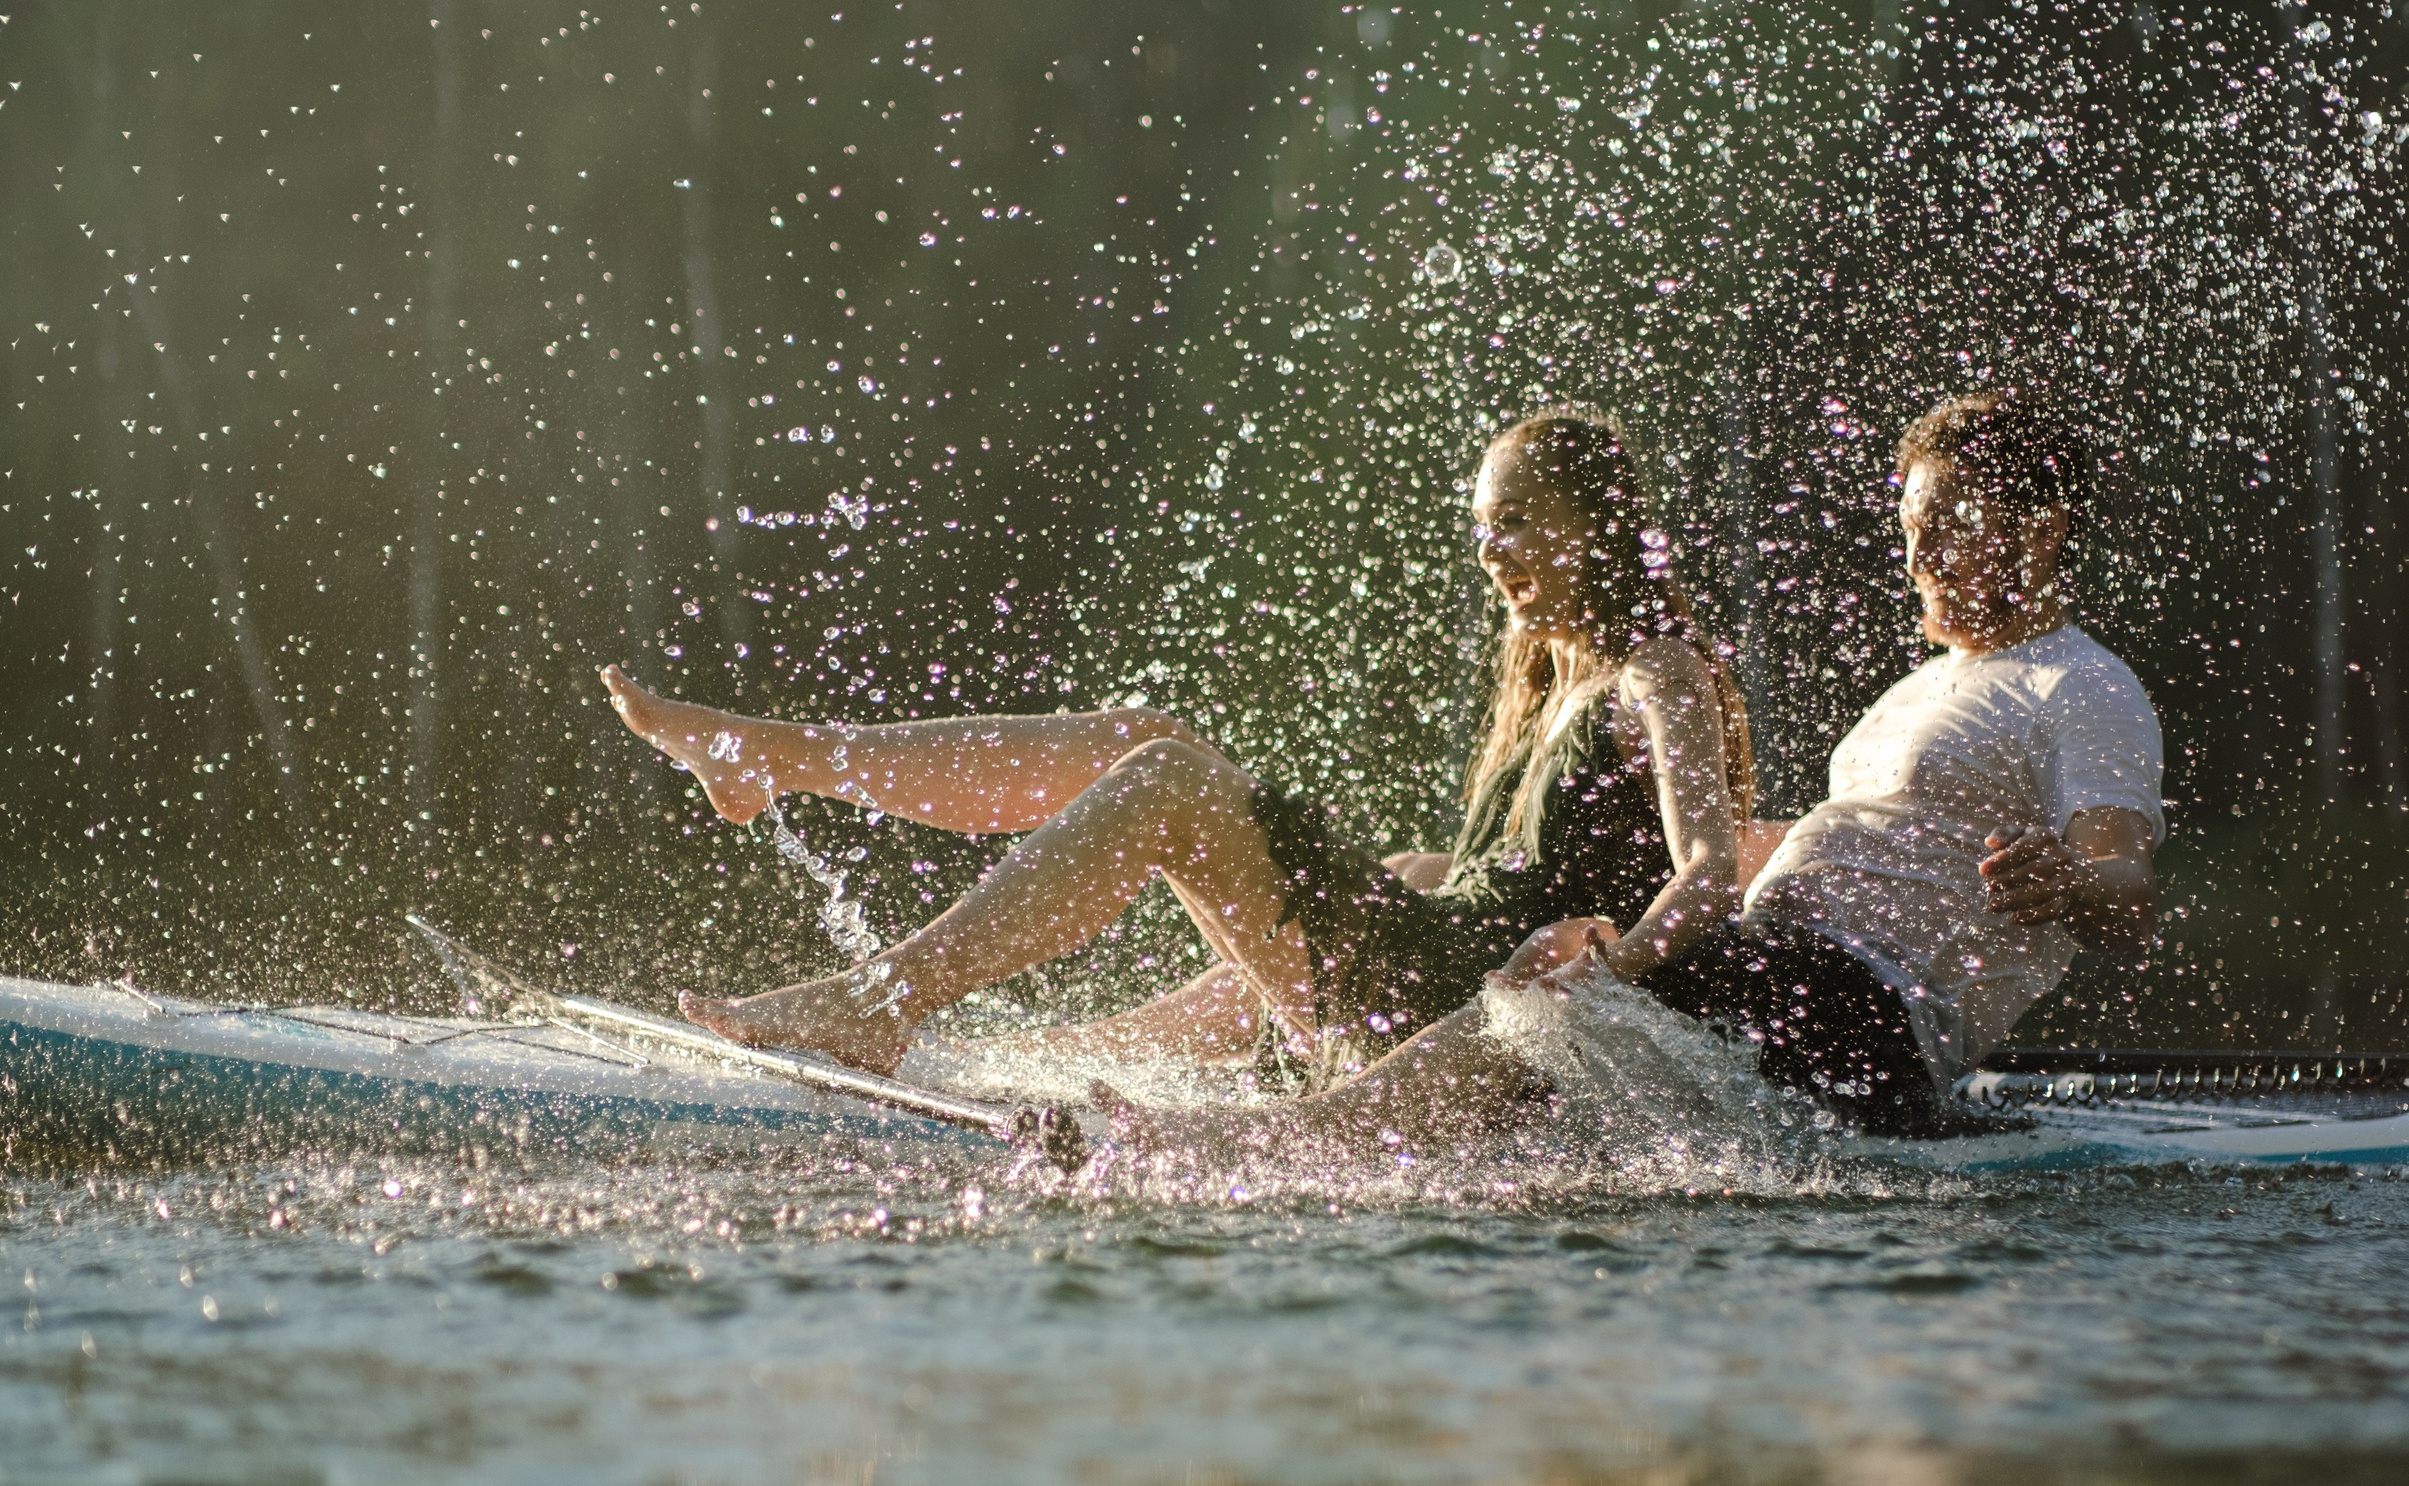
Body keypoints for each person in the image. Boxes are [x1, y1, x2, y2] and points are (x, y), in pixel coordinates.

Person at [1115, 388, 2163, 1152]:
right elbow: (1860, 846)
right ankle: (1268, 1122)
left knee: (1554, 998)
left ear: (2040, 530)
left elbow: (2125, 890)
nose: (1915, 558)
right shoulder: (1925, 687)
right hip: (1779, 972)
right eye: (1907, 531)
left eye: (1943, 531)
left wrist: (2069, 881)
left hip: (1860, 1016)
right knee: (1530, 966)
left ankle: (1241, 1149)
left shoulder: (2083, 688)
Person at [599, 408, 1761, 1085]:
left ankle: (881, 997)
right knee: (1154, 743)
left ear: (1596, 527)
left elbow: (1709, 870)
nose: (1490, 549)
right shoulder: (1549, 675)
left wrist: (1601, 967)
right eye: (1480, 526)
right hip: (1426, 970)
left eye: (1518, 524)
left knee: (1168, 779)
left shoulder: (1655, 668)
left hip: (1456, 1008)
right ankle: (785, 759)